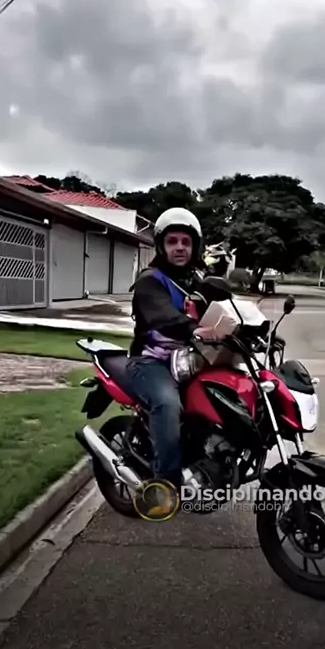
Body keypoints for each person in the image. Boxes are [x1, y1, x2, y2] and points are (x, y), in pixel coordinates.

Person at [126, 207, 212, 512]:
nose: (179, 247)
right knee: (167, 403)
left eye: (185, 242)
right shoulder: (150, 281)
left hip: (189, 361)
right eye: (172, 241)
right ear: (161, 246)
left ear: (195, 247)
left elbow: (227, 308)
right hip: (151, 362)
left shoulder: (198, 280)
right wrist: (195, 329)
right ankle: (166, 484)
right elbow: (162, 315)